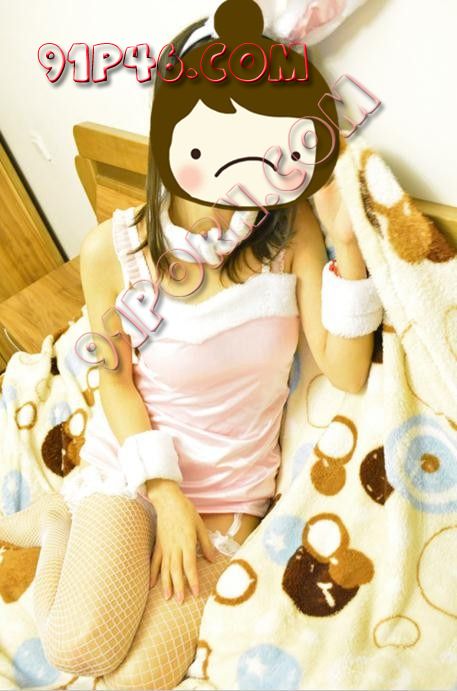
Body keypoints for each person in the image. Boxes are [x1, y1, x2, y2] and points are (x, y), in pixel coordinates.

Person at [0, 1, 383, 688]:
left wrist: (347, 246)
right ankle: (60, 518)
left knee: (136, 678)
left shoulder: (291, 233)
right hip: (137, 468)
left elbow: (347, 371)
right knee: (79, 646)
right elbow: (114, 380)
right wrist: (165, 493)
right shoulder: (111, 250)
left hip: (231, 494)